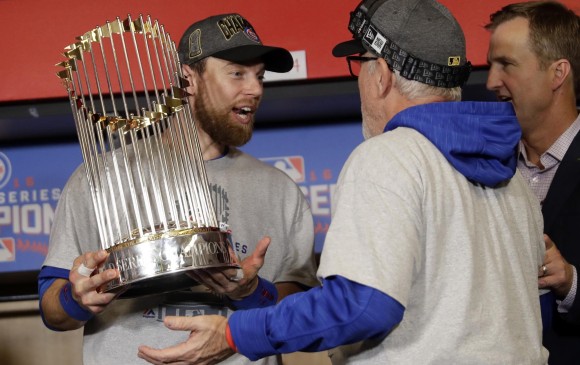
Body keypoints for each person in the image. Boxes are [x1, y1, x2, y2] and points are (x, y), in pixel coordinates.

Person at [137, 0, 549, 364]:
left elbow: (364, 306)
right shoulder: (513, 178)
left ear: (383, 73)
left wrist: (234, 333)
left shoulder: (390, 156)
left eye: (361, 64)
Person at [38, 13, 319, 365]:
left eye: (260, 76)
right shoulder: (99, 177)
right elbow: (52, 310)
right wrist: (75, 299)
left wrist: (251, 292)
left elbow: (301, 313)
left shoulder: (280, 190)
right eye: (237, 73)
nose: (256, 89)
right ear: (189, 79)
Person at [486, 2, 580, 364]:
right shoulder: (482, 169)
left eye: (506, 64)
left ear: (557, 73)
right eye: (492, 64)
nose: (492, 81)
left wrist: (571, 282)